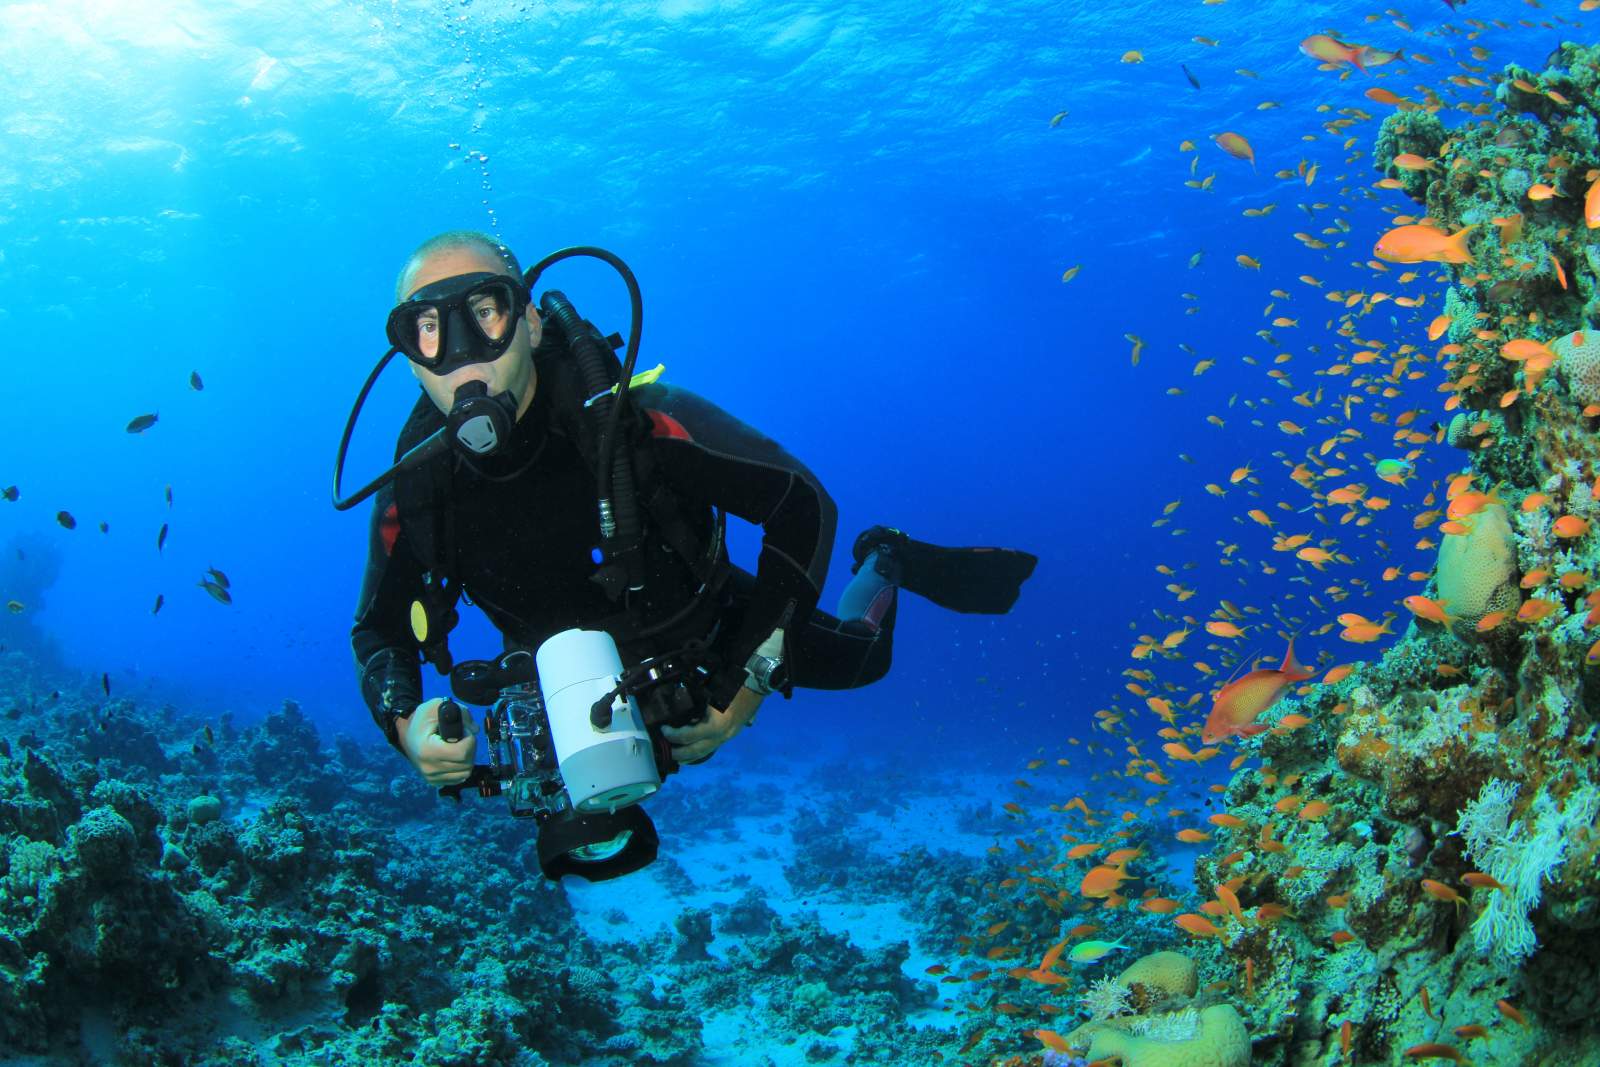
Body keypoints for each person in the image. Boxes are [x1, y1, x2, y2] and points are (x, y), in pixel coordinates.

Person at [351, 230, 1037, 788]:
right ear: (408, 356)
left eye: (485, 311)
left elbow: (801, 503)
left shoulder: (632, 422)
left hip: (706, 631)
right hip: (559, 679)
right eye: (429, 327)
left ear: (529, 322)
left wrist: (747, 685)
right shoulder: (417, 488)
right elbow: (378, 630)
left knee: (864, 661)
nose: (460, 354)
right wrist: (407, 729)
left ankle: (886, 557)